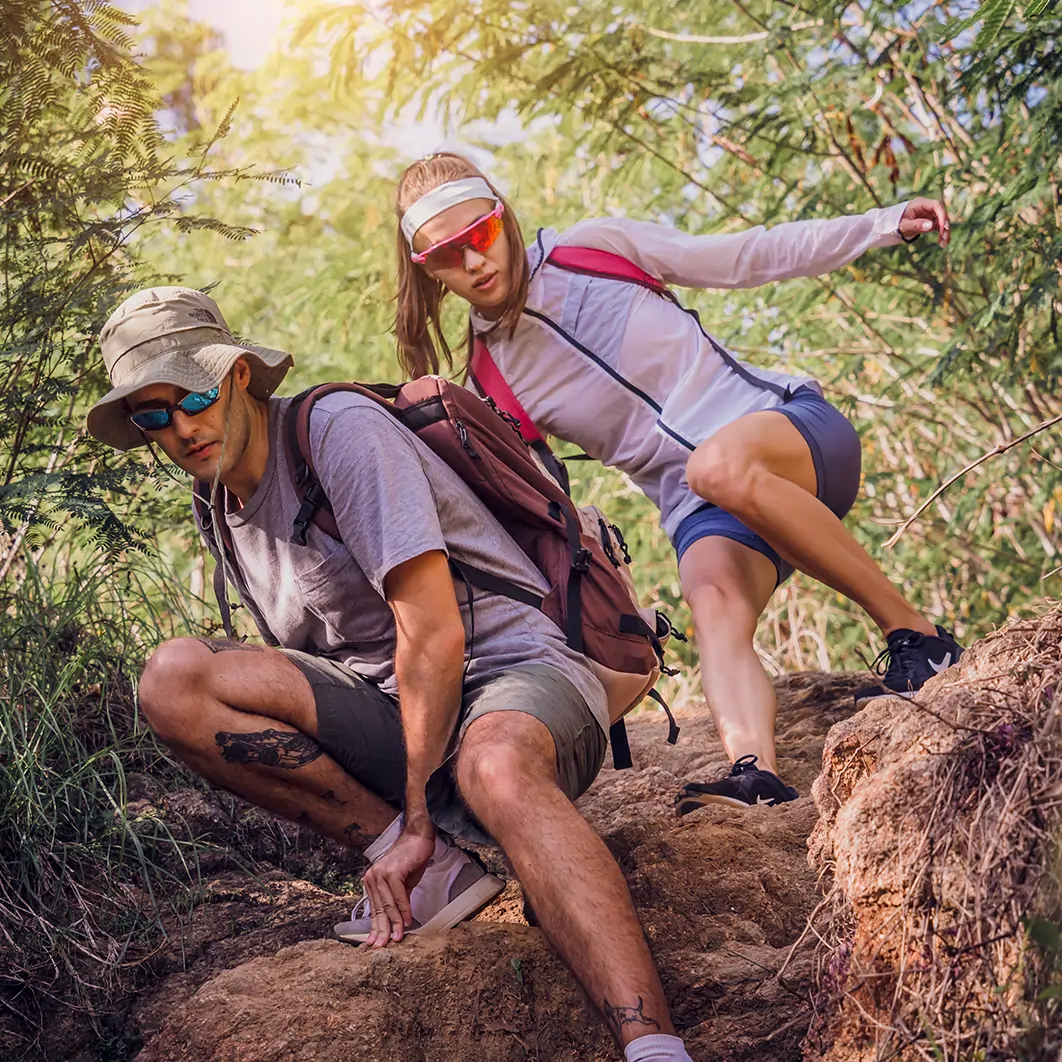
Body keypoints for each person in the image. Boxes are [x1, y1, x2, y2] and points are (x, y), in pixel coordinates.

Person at [85, 286, 699, 1062]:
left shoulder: (337, 432)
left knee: (495, 765)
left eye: (193, 396)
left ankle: (653, 1046)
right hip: (391, 709)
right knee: (174, 677)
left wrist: (417, 812)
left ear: (238, 374)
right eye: (151, 415)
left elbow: (433, 635)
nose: (180, 427)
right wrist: (405, 829)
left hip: (513, 672)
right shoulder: (216, 504)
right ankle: (436, 871)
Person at [391, 152, 964, 813]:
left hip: (790, 435)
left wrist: (882, 223)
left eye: (481, 234)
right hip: (706, 509)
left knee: (715, 465)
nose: (473, 263)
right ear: (427, 270)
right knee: (713, 604)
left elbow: (750, 255)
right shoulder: (492, 379)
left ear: (505, 216)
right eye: (446, 256)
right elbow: (536, 510)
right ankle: (756, 777)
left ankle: (920, 641)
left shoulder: (591, 250)